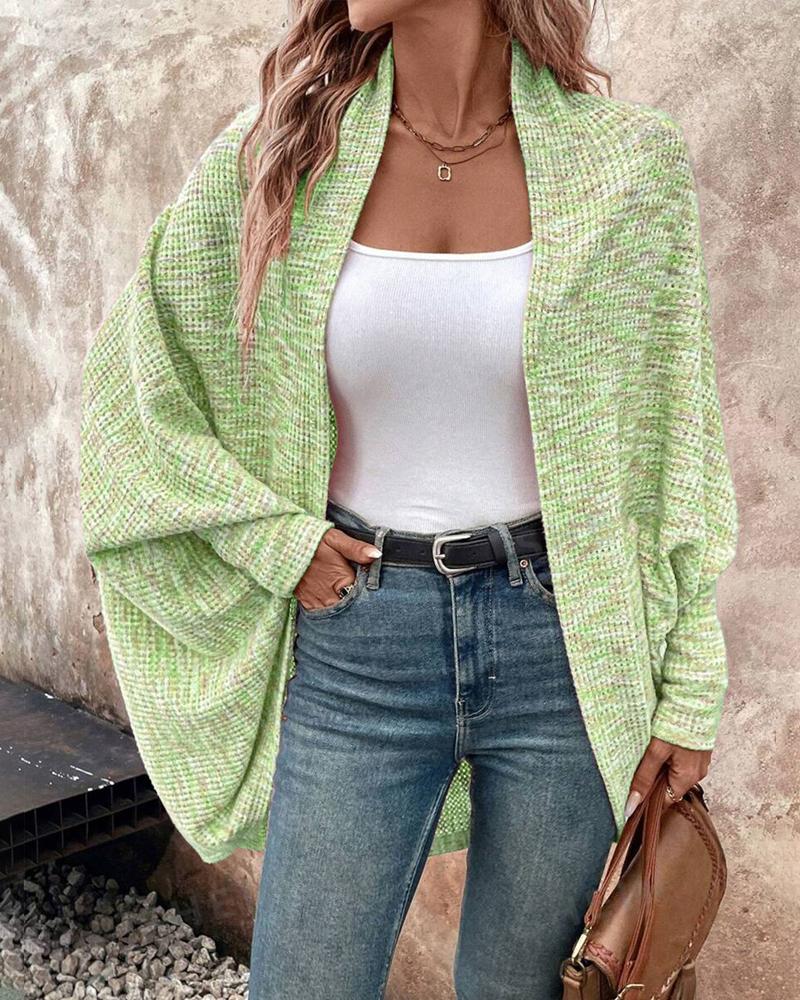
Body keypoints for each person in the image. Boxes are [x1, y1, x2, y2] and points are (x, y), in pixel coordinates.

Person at [79, 2, 739, 998]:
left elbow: (678, 448)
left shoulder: (626, 166)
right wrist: (270, 539)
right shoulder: (282, 156)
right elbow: (130, 399)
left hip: (565, 650)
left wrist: (689, 684)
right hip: (359, 646)